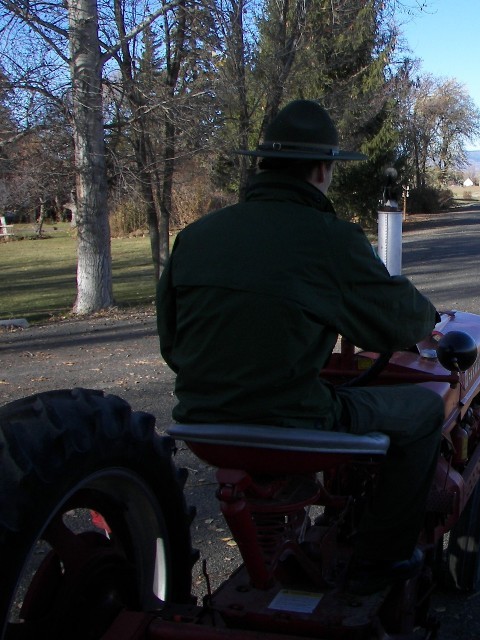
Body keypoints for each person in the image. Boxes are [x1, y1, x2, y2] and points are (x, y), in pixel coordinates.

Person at [156, 99, 443, 595]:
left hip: (201, 423)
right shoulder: (329, 238)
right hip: (289, 421)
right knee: (421, 413)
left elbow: (172, 342)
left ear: (263, 165)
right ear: (321, 168)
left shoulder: (196, 236)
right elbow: (397, 321)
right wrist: (429, 320)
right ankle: (381, 560)